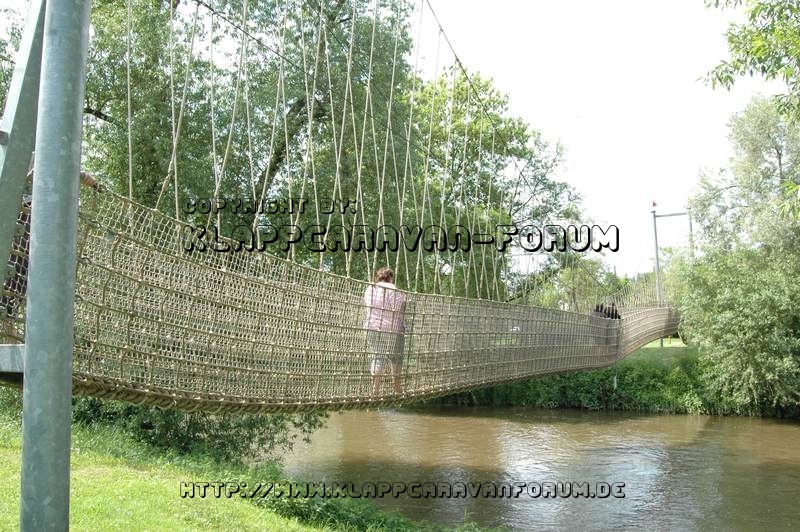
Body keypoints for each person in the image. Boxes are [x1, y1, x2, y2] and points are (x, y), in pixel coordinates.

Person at [363, 266, 406, 395]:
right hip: (392, 329)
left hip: (372, 326)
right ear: (390, 277)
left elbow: (368, 306)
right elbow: (397, 308)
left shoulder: (370, 288)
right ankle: (397, 387)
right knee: (396, 357)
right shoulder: (393, 289)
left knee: (377, 356)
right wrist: (404, 301)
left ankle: (375, 389)